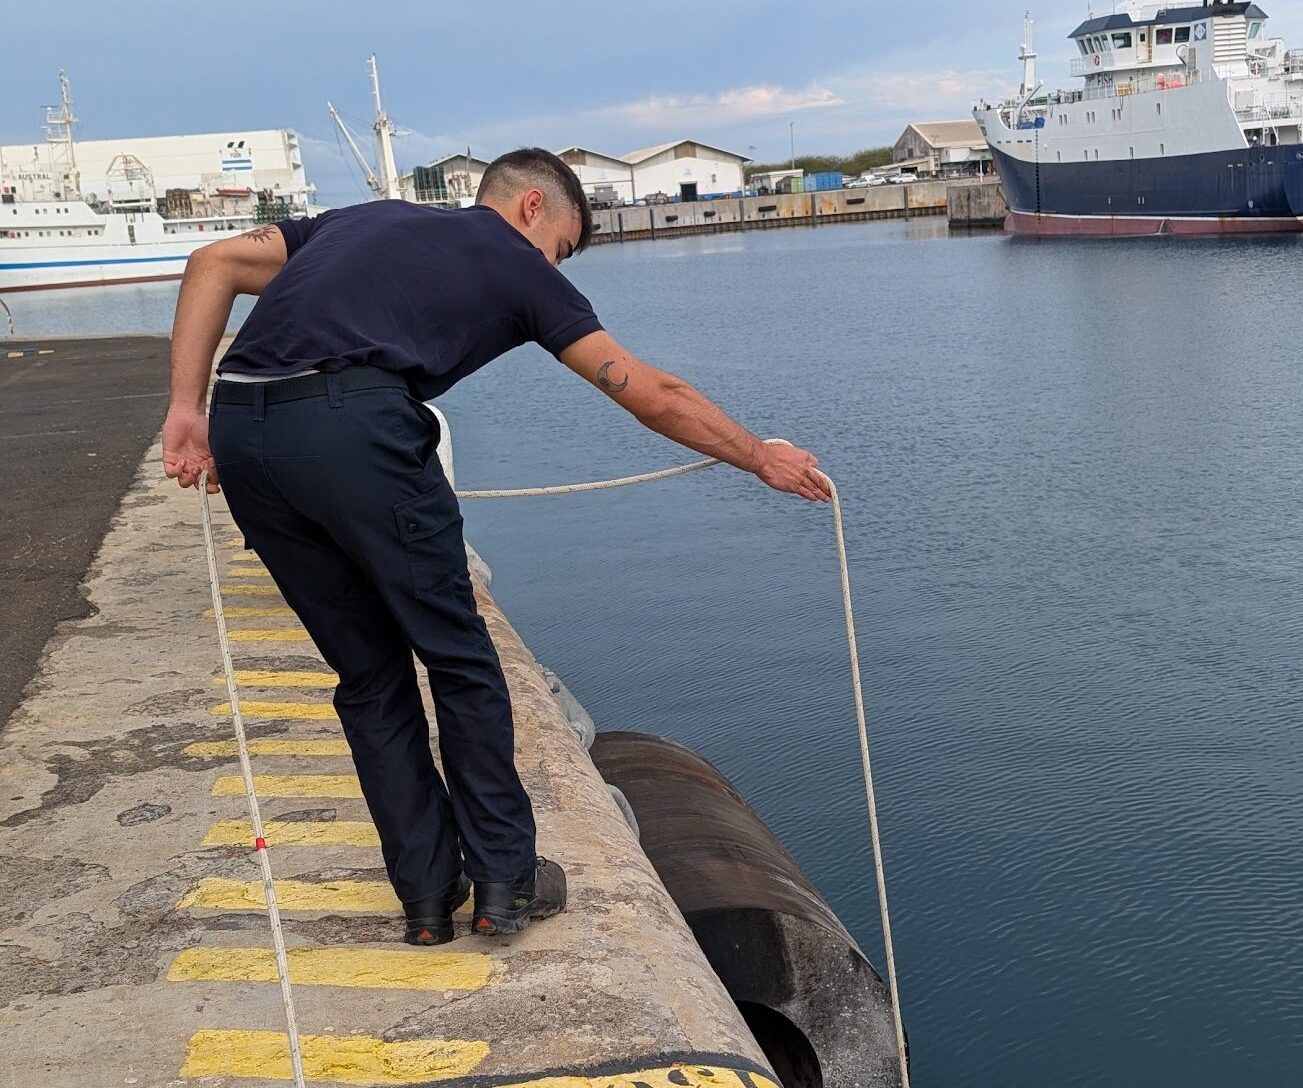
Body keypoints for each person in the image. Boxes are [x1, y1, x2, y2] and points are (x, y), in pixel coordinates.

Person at [162, 147, 827, 946]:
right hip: (354, 425)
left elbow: (213, 261)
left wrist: (185, 409)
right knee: (459, 657)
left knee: (369, 674)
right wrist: (759, 455)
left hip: (244, 427)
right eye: (565, 248)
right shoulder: (517, 264)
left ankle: (426, 897)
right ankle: (507, 879)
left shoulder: (359, 222)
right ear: (531, 210)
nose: (558, 266)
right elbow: (648, 392)